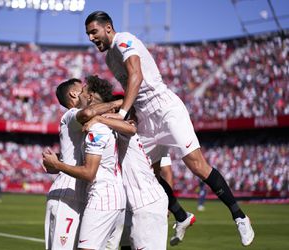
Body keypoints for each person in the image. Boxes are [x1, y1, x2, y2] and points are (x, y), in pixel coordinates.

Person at [85, 11, 254, 246]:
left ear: (108, 28)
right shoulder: (109, 59)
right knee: (143, 174)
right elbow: (131, 90)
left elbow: (136, 76)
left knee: (196, 164)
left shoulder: (124, 40)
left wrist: (122, 113)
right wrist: (130, 114)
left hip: (165, 109)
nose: (91, 38)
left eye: (94, 32)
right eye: (88, 34)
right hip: (144, 116)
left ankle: (239, 216)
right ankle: (181, 216)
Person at [43, 76, 126, 250]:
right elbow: (87, 113)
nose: (86, 92)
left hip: (84, 194)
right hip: (67, 195)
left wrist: (58, 160)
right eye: (83, 88)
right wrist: (119, 103)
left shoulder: (92, 124)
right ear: (74, 94)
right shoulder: (72, 114)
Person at [82, 93, 168, 249]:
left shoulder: (126, 127)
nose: (108, 113)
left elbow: (131, 128)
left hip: (147, 201)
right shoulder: (116, 132)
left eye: (114, 110)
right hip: (142, 202)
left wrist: (100, 119)